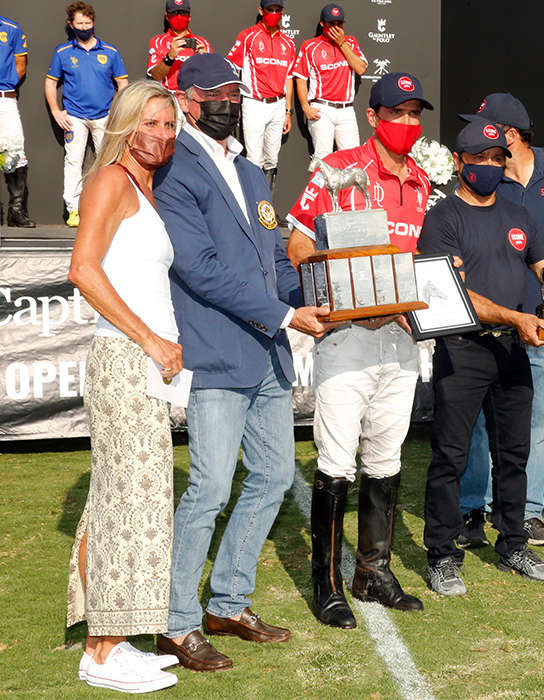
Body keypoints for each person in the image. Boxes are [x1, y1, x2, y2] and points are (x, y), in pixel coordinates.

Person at [152, 53, 334, 672]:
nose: (229, 101)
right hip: (218, 350)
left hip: (267, 353)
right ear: (188, 102)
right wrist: (286, 316)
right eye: (217, 93)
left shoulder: (255, 172)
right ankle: (175, 623)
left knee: (275, 477)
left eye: (235, 90)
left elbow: (277, 258)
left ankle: (228, 600)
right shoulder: (176, 171)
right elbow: (198, 270)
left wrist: (313, 297)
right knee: (208, 488)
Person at [417, 119, 544, 596]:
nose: (490, 167)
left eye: (497, 159)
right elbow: (454, 295)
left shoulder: (518, 215)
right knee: (450, 456)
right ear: (459, 162)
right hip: (463, 348)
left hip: (513, 349)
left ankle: (513, 541)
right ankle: (442, 553)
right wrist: (515, 316)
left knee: (513, 453)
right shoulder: (443, 218)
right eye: (480, 160)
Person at [286, 71, 433, 628]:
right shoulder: (334, 168)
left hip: (402, 339)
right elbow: (298, 242)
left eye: (415, 114)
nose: (407, 124)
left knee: (387, 458)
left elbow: (424, 261)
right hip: (347, 338)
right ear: (374, 117)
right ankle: (325, 583)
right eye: (397, 113)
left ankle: (373, 571)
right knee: (335, 461)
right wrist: (342, 285)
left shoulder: (423, 179)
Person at [66, 79, 184, 693]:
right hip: (124, 360)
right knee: (128, 507)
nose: (161, 135)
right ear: (126, 124)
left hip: (142, 364)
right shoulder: (111, 179)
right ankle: (104, 653)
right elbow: (82, 270)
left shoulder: (147, 186)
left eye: (169, 125)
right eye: (151, 124)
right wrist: (149, 339)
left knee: (116, 502)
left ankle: (115, 639)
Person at [455, 92, 544, 549]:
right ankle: (471, 511)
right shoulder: (481, 179)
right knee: (482, 424)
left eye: (490, 131)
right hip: (490, 322)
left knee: (539, 423)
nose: (482, 141)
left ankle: (527, 513)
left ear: (511, 135)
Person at [45, 1, 128, 227]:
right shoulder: (62, 52)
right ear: (71, 25)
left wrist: (117, 111)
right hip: (74, 116)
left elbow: (123, 83)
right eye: (79, 23)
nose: (84, 27)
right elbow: (51, 82)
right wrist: (55, 111)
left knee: (109, 163)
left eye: (88, 23)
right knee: (73, 162)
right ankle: (73, 210)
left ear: (93, 23)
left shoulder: (110, 51)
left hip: (104, 116)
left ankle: (109, 208)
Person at [226, 0, 296, 186]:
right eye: (269, 10)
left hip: (279, 105)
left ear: (282, 12)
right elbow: (233, 68)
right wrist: (234, 102)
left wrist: (288, 111)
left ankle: (267, 208)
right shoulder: (248, 36)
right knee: (254, 159)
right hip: (254, 103)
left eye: (277, 10)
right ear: (261, 10)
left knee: (272, 159)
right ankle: (253, 208)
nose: (274, 13)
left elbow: (289, 78)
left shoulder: (288, 43)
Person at [292, 3, 366, 161]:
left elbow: (360, 69)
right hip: (321, 109)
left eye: (339, 24)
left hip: (346, 110)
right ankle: (319, 187)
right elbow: (301, 79)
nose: (336, 28)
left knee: (353, 161)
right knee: (323, 161)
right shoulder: (310, 46)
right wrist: (306, 107)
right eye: (331, 24)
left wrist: (342, 43)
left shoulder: (350, 42)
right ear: (322, 24)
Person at [0, 13, 36, 227]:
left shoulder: (11, 28)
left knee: (15, 153)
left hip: (5, 98)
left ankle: (16, 211)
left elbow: (20, 64)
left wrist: (7, 84)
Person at [147, 0, 211, 92]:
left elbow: (213, 77)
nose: (179, 16)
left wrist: (204, 60)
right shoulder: (158, 42)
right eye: (174, 13)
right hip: (169, 97)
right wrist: (170, 57)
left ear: (189, 17)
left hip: (195, 98)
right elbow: (155, 76)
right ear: (167, 16)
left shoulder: (202, 43)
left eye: (183, 13)